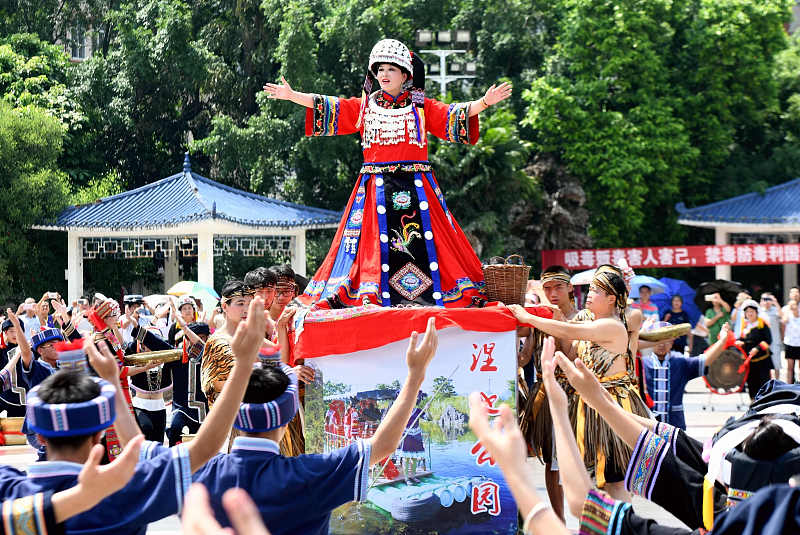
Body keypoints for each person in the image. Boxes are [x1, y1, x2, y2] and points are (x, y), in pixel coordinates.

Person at [265, 38, 511, 308]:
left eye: (391, 69)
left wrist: (485, 102)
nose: (383, 74)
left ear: (405, 75)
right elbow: (329, 105)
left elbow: (454, 114)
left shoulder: (421, 107)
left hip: (418, 189)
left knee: (434, 244)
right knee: (369, 248)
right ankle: (373, 292)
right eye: (379, 69)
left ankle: (429, 295)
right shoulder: (364, 107)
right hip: (375, 191)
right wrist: (292, 96)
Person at [0, 297, 264, 535]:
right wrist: (243, 365)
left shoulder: (9, 489)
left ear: (40, 437)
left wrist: (72, 501)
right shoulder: (124, 492)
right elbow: (203, 449)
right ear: (100, 434)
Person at [192, 317, 439, 535]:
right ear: (288, 418)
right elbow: (384, 445)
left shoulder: (198, 474)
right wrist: (415, 376)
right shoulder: (311, 473)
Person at [509, 265, 650, 500]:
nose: (590, 294)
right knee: (596, 481)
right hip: (593, 403)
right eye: (591, 289)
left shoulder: (611, 325)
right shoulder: (589, 321)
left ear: (611, 299)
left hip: (612, 403)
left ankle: (621, 525)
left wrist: (527, 317)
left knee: (614, 481)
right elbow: (569, 337)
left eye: (596, 290)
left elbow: (566, 330)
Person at [517, 265, 577, 521]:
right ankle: (559, 521)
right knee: (552, 462)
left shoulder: (581, 318)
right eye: (548, 288)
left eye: (558, 287)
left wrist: (557, 322)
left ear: (570, 288)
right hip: (544, 392)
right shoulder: (539, 318)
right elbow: (524, 359)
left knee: (577, 460)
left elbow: (573, 355)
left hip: (574, 394)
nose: (552, 293)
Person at [642, 322, 729, 429]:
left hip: (674, 423)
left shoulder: (679, 361)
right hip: (647, 423)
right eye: (657, 340)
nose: (661, 344)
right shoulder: (642, 363)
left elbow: (704, 360)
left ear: (672, 341)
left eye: (666, 340)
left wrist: (722, 341)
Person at [201, 280, 254, 410]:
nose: (246, 309)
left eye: (249, 304)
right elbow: (212, 385)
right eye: (240, 303)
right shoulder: (217, 342)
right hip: (229, 415)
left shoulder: (254, 337)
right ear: (224, 306)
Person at [165, 321, 210, 446]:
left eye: (202, 338)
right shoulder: (177, 355)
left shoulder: (210, 356)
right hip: (181, 407)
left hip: (203, 409)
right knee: (175, 428)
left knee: (202, 445)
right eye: (195, 337)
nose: (198, 341)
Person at [737, 299, 773, 398]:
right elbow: (744, 340)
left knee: (764, 381)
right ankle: (753, 402)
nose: (749, 314)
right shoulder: (745, 326)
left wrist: (757, 348)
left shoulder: (762, 325)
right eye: (747, 312)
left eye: (752, 311)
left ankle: (765, 401)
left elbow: (768, 341)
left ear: (756, 312)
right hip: (749, 359)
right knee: (751, 381)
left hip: (762, 359)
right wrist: (740, 342)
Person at [759, 292, 783, 374]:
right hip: (764, 341)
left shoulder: (776, 310)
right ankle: (768, 382)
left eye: (768, 299)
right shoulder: (759, 311)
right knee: (765, 364)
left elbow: (782, 316)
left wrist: (775, 302)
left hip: (775, 341)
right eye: (764, 299)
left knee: (776, 364)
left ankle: (777, 383)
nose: (766, 301)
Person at [783, 300, 800, 383]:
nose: (793, 307)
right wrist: (788, 311)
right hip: (790, 344)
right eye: (790, 305)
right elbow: (784, 321)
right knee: (790, 367)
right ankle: (789, 385)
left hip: (799, 344)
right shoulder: (788, 315)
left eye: (794, 305)